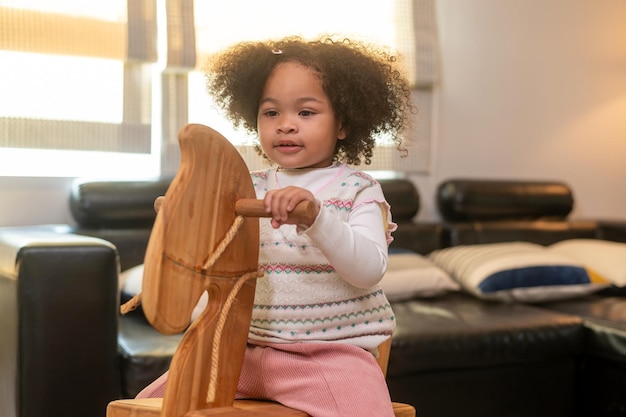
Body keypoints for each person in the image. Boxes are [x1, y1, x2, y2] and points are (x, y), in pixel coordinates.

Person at [136, 35, 413, 417]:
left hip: (326, 357)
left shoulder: (358, 190)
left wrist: (316, 217)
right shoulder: (245, 188)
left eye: (305, 113)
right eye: (271, 113)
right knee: (148, 406)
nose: (285, 126)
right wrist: (185, 214)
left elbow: (369, 270)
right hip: (240, 351)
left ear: (343, 123)